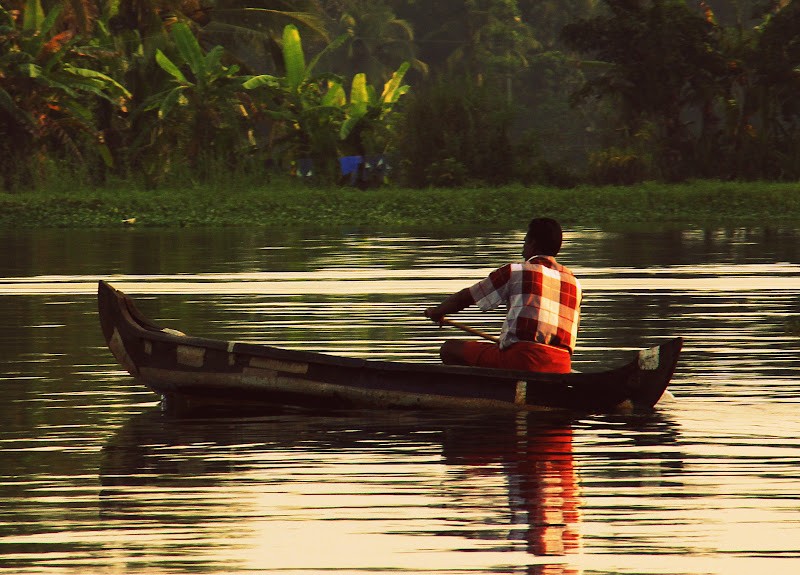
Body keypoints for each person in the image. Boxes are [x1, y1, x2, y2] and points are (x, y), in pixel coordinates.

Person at [424, 217, 581, 373]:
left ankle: (481, 388)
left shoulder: (516, 271)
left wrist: (437, 312)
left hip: (522, 360)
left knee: (449, 349)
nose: (523, 245)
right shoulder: (574, 282)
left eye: (525, 240)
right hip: (562, 366)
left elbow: (469, 296)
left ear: (532, 243)